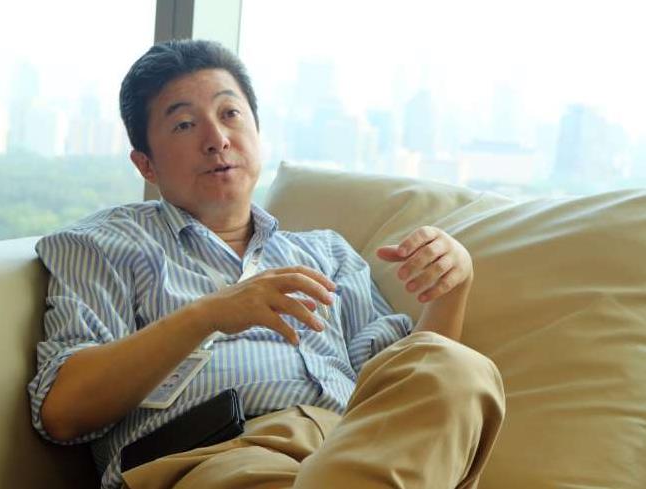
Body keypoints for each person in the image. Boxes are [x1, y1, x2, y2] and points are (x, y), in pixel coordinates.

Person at [28, 39, 505, 489]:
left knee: (459, 369)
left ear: (257, 131)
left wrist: (451, 290)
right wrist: (208, 314)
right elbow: (64, 413)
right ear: (145, 165)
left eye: (230, 114)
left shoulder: (328, 255)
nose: (217, 139)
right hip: (217, 456)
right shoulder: (103, 245)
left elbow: (403, 393)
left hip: (348, 450)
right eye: (184, 125)